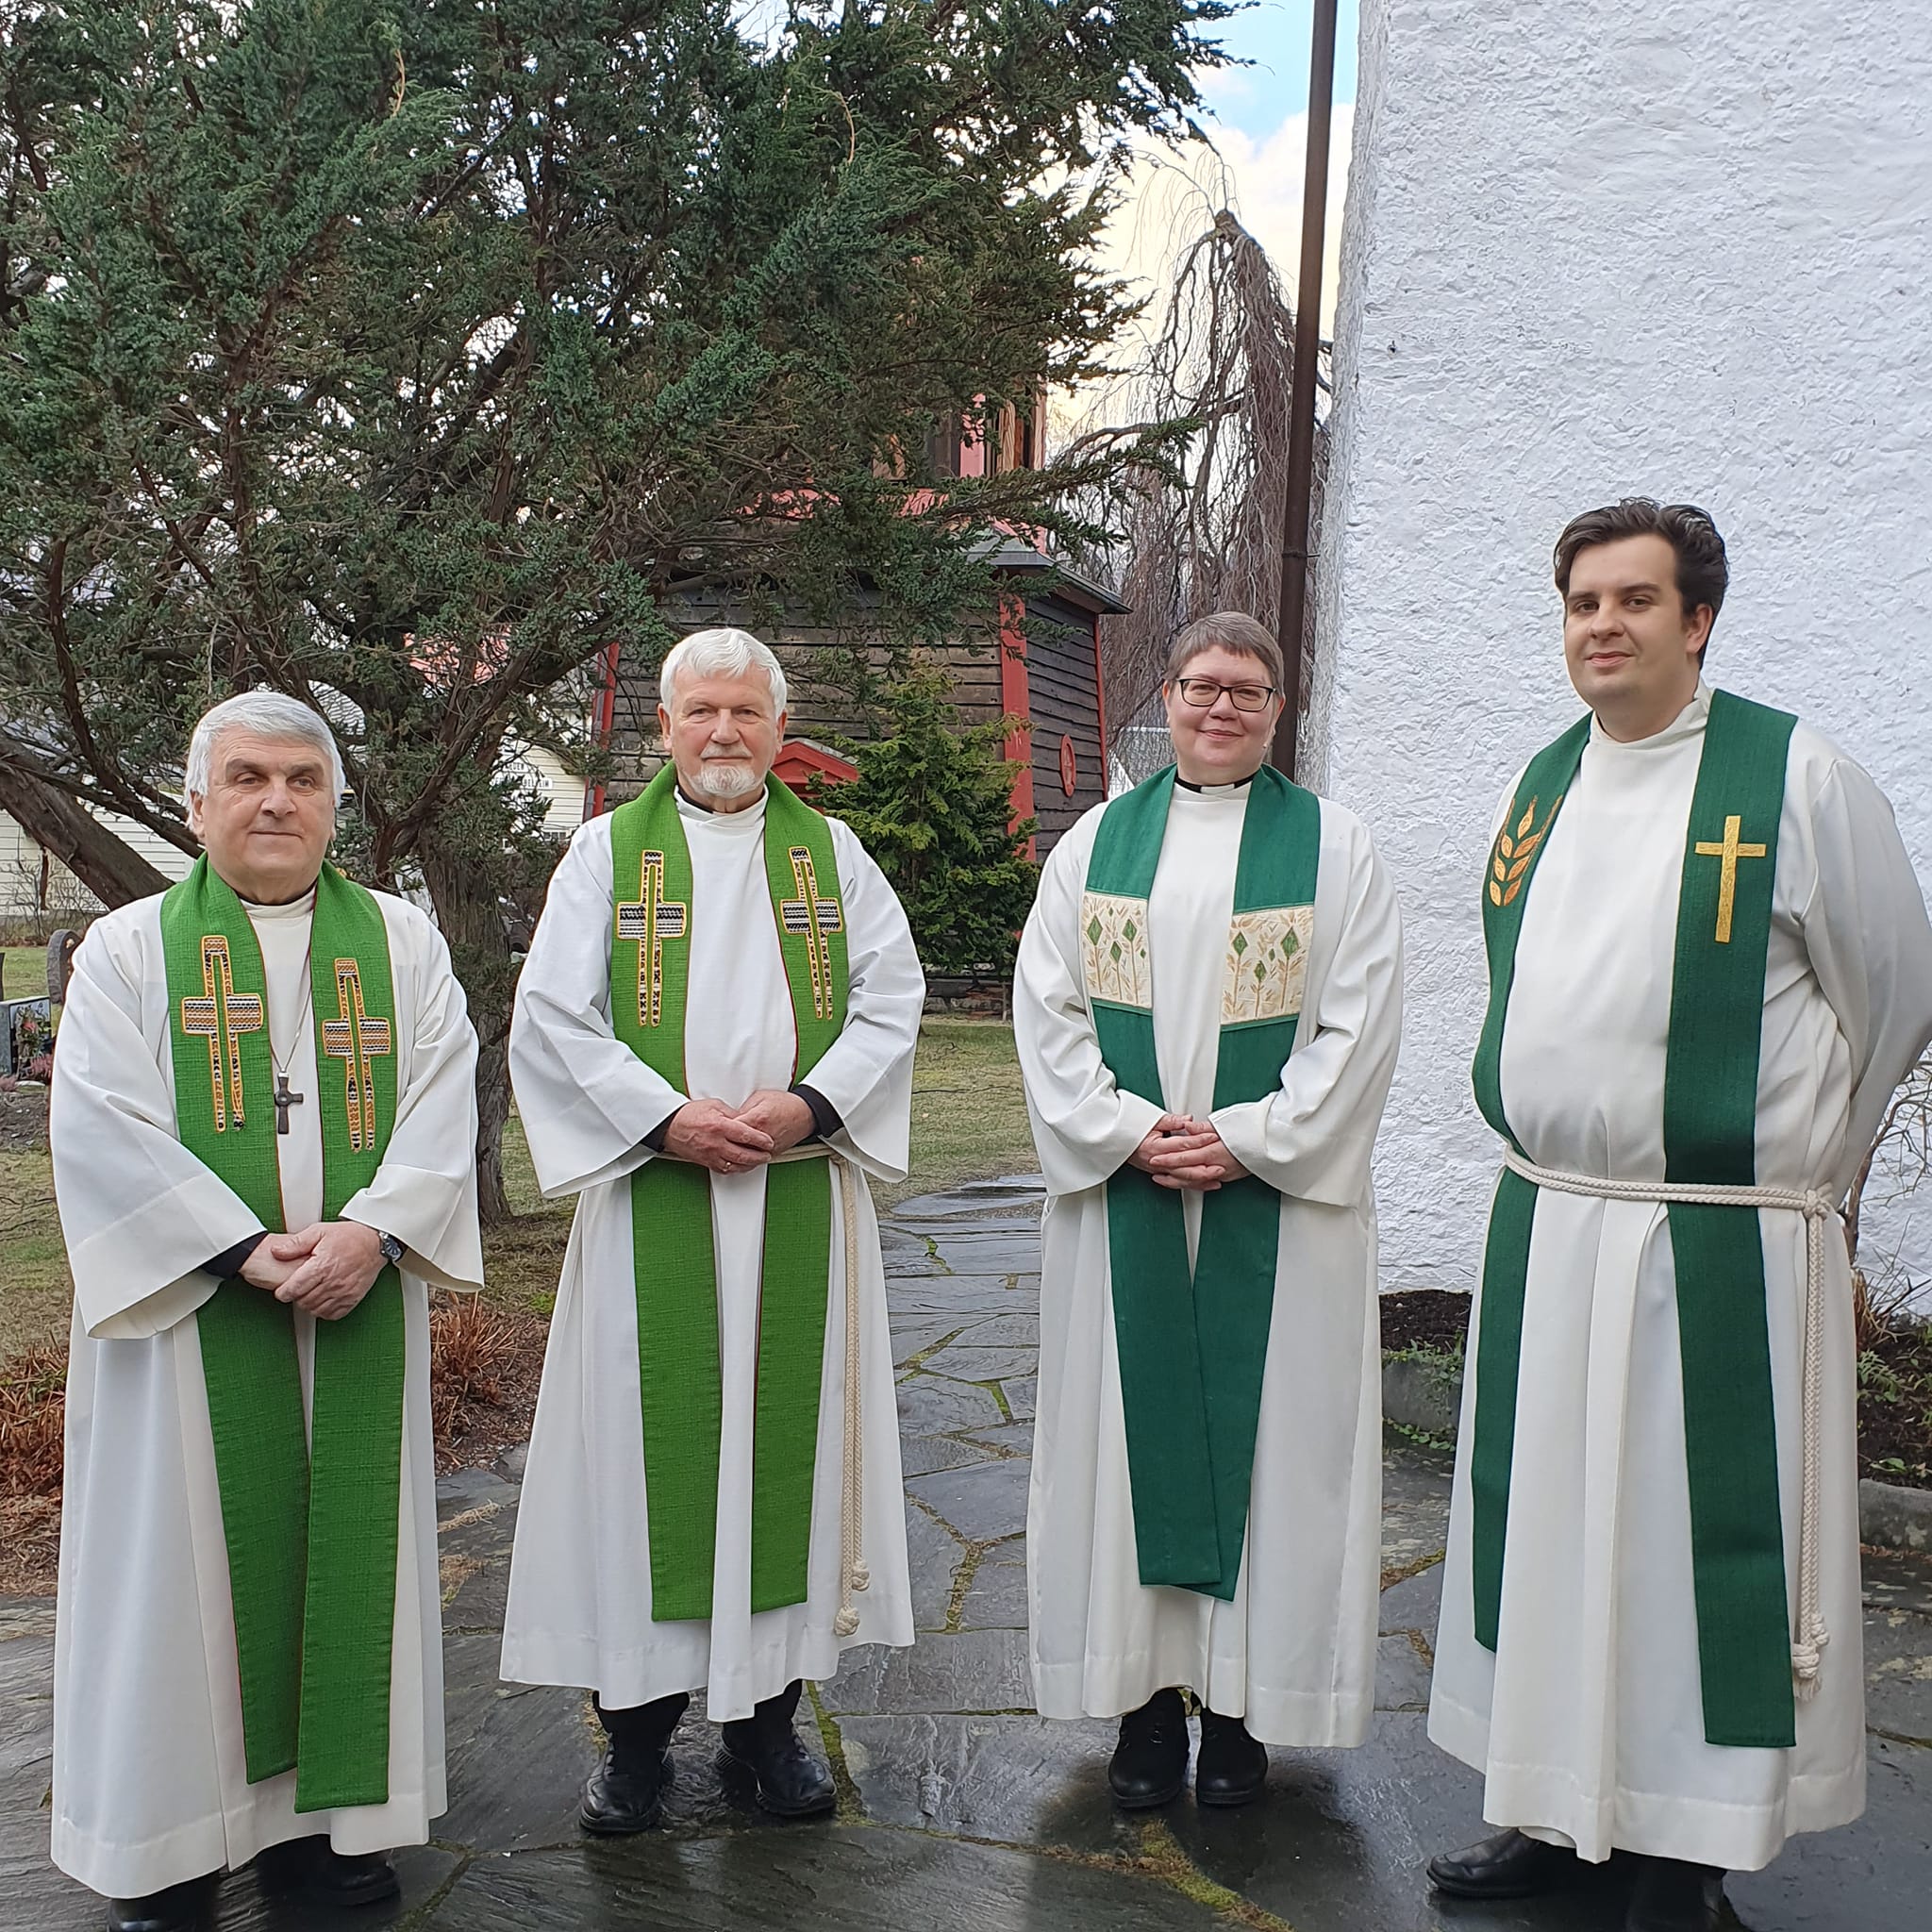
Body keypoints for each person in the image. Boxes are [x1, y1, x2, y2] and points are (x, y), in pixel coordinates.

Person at [1426, 501, 1932, 1932]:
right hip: (1557, 1225)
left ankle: (1680, 1855)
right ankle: (1545, 1803)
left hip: (1715, 1240)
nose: (1605, 625)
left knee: (1681, 1560)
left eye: (1637, 600)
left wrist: (1803, 1169)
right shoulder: (1545, 783)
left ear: (1697, 620)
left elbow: (1890, 992)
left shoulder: (1793, 777)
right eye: (1584, 600)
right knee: (1548, 1538)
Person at [49, 691, 483, 1932]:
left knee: (344, 1571)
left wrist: (375, 1231)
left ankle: (321, 1835)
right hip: (188, 1332)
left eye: (303, 778)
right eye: (246, 777)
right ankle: (167, 1848)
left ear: (337, 806)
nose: (277, 799)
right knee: (171, 1591)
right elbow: (103, 1130)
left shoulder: (399, 945)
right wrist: (241, 1249)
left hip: (355, 1303)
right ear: (196, 805)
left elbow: (444, 1098)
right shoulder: (130, 951)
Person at [501, 625, 924, 1831]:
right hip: (654, 1201)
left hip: (795, 1194)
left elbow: (893, 998)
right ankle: (634, 1740)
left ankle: (764, 1726)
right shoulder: (602, 857)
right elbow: (555, 1015)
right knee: (639, 1460)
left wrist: (806, 1105)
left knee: (783, 1463)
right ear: (666, 727)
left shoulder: (831, 858)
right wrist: (666, 1119)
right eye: (702, 712)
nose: (725, 732)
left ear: (779, 731)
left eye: (746, 711)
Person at [1012, 610, 1403, 1807]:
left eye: (1244, 689)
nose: (1218, 705)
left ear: (1275, 708)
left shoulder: (1335, 848)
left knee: (1279, 1453)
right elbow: (1049, 1013)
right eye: (1198, 685)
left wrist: (1244, 1139)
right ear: (1168, 695)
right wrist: (1131, 1133)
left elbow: (1358, 1022)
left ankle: (1240, 1714)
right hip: (1124, 1202)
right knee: (1118, 1454)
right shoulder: (1092, 846)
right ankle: (1139, 1711)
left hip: (1273, 1215)